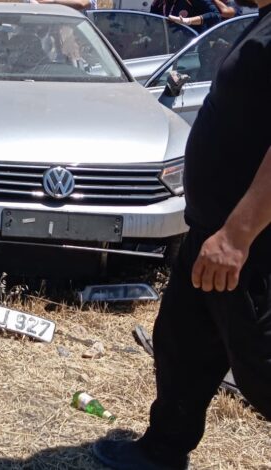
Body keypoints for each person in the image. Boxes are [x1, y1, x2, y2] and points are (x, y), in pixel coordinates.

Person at [92, 0, 271, 468]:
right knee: (183, 343)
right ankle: (163, 450)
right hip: (212, 233)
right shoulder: (263, 22)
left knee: (264, 370)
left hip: (250, 245)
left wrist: (237, 235)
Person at [151, 0, 220, 32]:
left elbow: (216, 15)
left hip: (193, 47)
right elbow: (151, 22)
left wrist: (188, 21)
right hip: (168, 48)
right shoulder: (157, 3)